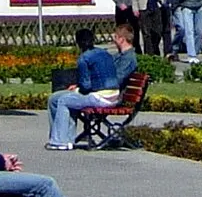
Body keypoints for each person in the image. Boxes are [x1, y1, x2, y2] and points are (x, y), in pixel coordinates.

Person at [46, 21, 137, 150]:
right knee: (54, 98)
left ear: (122, 39)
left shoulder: (128, 59)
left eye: (115, 37)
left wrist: (81, 88)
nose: (112, 39)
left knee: (64, 100)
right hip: (100, 92)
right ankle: (63, 138)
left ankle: (60, 140)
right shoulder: (113, 55)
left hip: (107, 95)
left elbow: (113, 81)